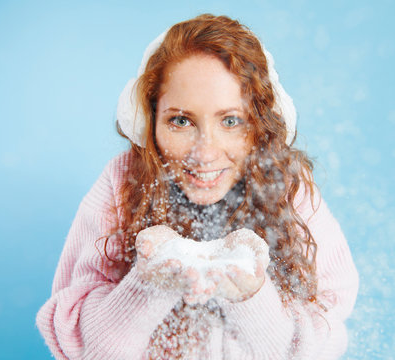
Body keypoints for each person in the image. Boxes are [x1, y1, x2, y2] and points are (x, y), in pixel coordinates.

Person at [36, 14, 359, 359]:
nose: (204, 153)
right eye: (180, 120)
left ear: (260, 125)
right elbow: (82, 349)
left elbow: (320, 347)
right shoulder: (122, 183)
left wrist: (250, 296)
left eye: (231, 121)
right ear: (147, 119)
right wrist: (148, 284)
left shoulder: (289, 189)